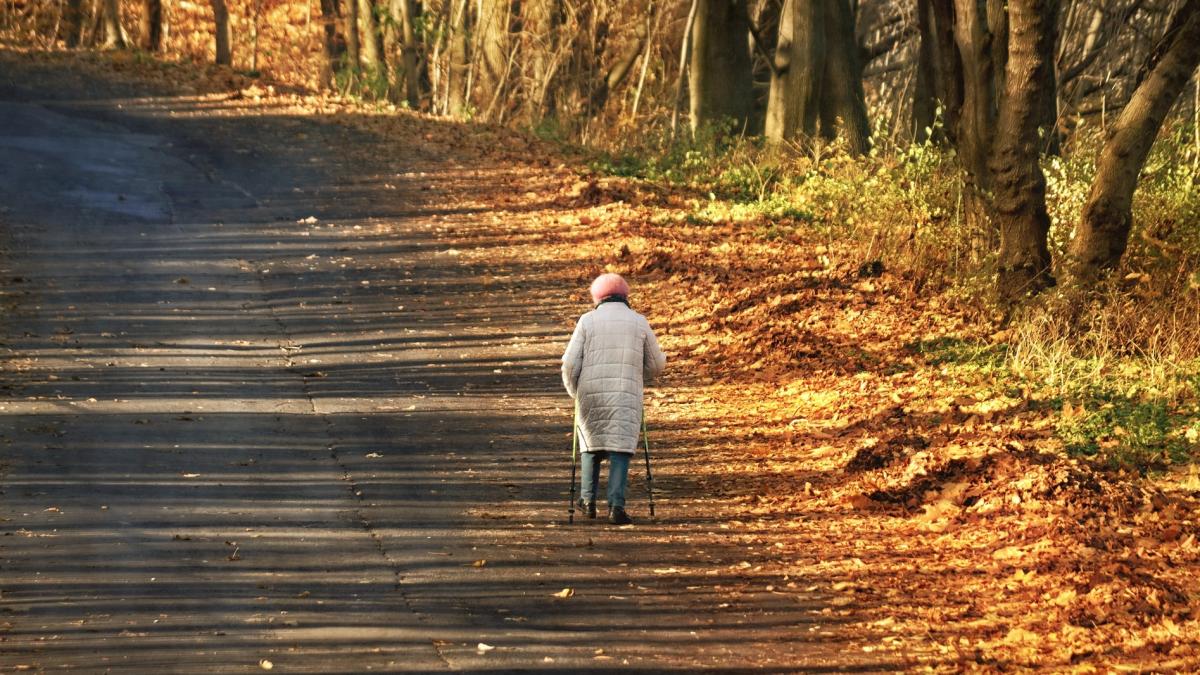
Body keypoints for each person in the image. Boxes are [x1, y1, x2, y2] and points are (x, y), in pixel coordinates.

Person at [562, 273, 666, 525]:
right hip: (625, 393)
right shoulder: (639, 322)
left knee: (590, 446)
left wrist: (574, 391)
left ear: (597, 297)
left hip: (590, 393)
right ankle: (616, 507)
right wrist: (639, 376)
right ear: (625, 295)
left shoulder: (587, 321)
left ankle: (587, 502)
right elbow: (657, 364)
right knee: (620, 449)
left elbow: (569, 363)